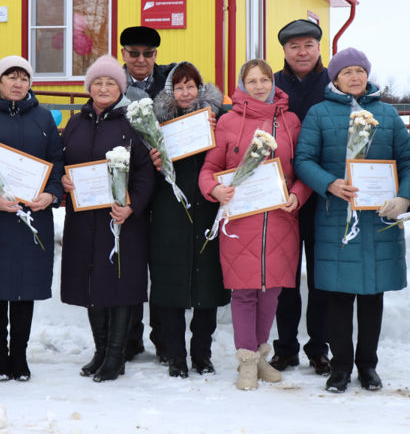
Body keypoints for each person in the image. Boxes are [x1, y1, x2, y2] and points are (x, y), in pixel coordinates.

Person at [294, 48, 410, 393]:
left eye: (359, 71)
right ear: (334, 78)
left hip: (378, 218)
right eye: (346, 71)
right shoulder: (319, 114)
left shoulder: (388, 115)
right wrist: (329, 184)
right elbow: (303, 159)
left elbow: (407, 161)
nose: (354, 77)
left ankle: (368, 365)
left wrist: (403, 197)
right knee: (338, 296)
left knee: (372, 296)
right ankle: (340, 367)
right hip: (336, 217)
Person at [198, 58, 310, 391]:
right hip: (241, 220)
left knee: (271, 291)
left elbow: (301, 170)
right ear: (242, 84)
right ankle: (246, 360)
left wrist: (298, 195)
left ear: (273, 82)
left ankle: (262, 355)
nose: (260, 85)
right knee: (244, 292)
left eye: (265, 79)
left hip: (279, 218)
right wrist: (215, 188)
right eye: (252, 80)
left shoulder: (290, 121)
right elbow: (209, 168)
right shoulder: (229, 122)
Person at [0, 56, 64, 382]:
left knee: (25, 288)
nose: (18, 83)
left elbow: (56, 161)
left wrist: (50, 195)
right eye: (11, 77)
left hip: (32, 217)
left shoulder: (43, 118)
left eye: (24, 78)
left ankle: (19, 356)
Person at [60, 55, 155, 382]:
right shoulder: (76, 122)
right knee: (91, 284)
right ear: (89, 87)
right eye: (98, 82)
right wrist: (63, 181)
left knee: (120, 285)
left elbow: (146, 175)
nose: (103, 88)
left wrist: (133, 207)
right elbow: (62, 161)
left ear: (121, 88)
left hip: (121, 221)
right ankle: (100, 351)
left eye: (111, 83)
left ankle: (116, 355)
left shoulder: (134, 123)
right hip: (85, 219)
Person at [148, 61, 229, 378]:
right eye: (179, 86)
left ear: (199, 89)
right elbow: (144, 172)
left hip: (208, 208)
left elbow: (226, 158)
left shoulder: (216, 119)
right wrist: (154, 161)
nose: (185, 91)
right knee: (170, 287)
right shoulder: (156, 124)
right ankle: (175, 355)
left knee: (207, 287)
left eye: (190, 85)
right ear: (171, 92)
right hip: (170, 213)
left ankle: (202, 353)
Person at [270, 19, 332, 375]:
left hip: (324, 194)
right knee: (285, 277)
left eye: (308, 44)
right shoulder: (272, 85)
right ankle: (286, 347)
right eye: (294, 46)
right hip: (280, 196)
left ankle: (318, 347)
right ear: (284, 51)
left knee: (321, 276)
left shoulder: (333, 84)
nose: (302, 51)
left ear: (319, 48)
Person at [118, 25, 176, 360]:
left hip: (166, 186)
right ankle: (130, 336)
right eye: (134, 53)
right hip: (129, 184)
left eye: (148, 53)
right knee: (132, 262)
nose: (141, 60)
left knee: (163, 265)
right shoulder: (114, 81)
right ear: (123, 54)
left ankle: (164, 338)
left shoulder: (169, 83)